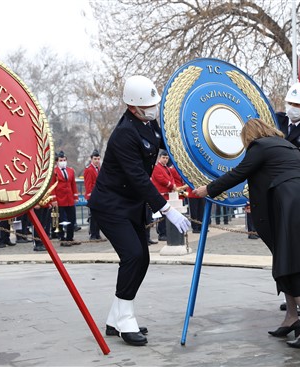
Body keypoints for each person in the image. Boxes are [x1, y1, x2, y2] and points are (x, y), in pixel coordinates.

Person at [194, 118, 300, 349]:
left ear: (250, 136)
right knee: (286, 262)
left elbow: (238, 173)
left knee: (295, 265)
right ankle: (292, 318)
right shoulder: (287, 146)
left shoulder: (260, 147)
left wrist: (207, 189)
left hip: (292, 209)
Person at [88, 75, 191, 346]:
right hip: (111, 205)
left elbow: (165, 145)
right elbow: (138, 178)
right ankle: (125, 319)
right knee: (133, 255)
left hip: (131, 205)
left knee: (142, 258)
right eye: (148, 105)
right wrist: (167, 210)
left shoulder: (149, 124)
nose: (153, 108)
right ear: (133, 107)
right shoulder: (124, 134)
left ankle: (115, 317)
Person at [51, 151, 80, 246]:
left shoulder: (70, 171)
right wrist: (54, 199)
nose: (63, 161)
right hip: (60, 199)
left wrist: (75, 196)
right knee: (61, 220)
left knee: (72, 219)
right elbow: (52, 186)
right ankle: (62, 238)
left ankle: (70, 237)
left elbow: (73, 184)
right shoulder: (54, 172)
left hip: (69, 199)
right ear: (57, 161)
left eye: (64, 160)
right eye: (61, 160)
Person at [151, 150, 177, 241]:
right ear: (159, 158)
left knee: (166, 215)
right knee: (161, 216)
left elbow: (172, 178)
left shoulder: (167, 168)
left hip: (168, 195)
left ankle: (166, 232)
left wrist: (173, 185)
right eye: (163, 158)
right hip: (160, 195)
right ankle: (161, 234)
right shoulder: (156, 167)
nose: (165, 160)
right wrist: (171, 185)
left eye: (167, 158)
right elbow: (160, 179)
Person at [84, 149, 102, 240]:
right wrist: (90, 196)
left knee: (98, 216)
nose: (97, 161)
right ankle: (93, 234)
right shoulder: (89, 169)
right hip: (93, 196)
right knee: (93, 216)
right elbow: (88, 184)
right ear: (91, 159)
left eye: (98, 159)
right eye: (95, 159)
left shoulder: (99, 168)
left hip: (99, 195)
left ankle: (97, 233)